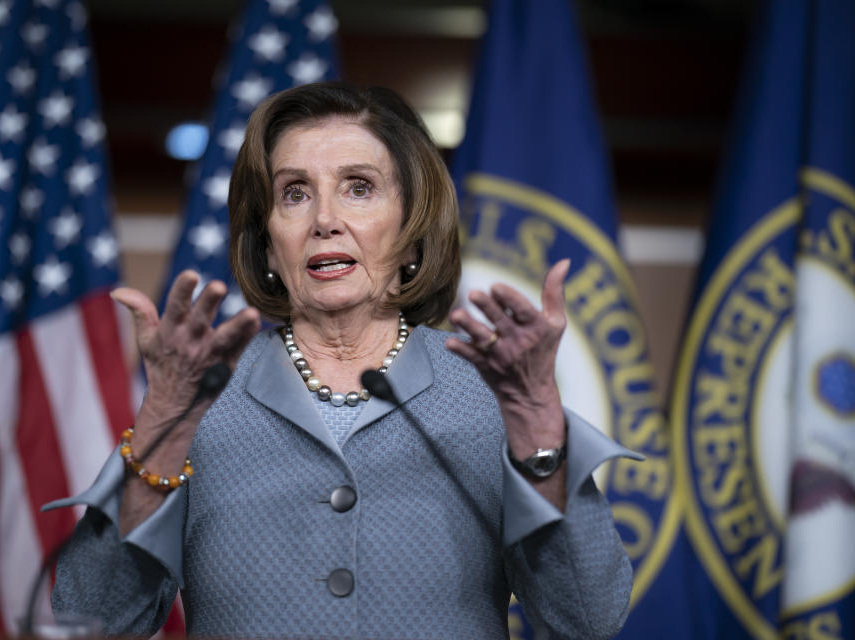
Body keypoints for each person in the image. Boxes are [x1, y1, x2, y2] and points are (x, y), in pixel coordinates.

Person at [48, 82, 638, 639]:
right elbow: (93, 618)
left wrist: (537, 419)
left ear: (411, 231)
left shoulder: (491, 391)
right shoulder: (201, 396)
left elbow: (586, 619)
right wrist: (164, 422)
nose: (325, 220)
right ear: (269, 243)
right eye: (294, 193)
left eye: (359, 187)